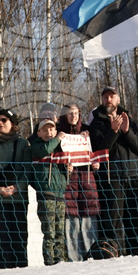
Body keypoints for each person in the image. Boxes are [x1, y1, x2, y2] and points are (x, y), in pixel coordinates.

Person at [88, 86, 138, 255]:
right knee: (115, 220)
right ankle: (117, 255)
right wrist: (113, 131)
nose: (108, 100)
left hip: (135, 175)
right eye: (105, 97)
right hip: (112, 178)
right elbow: (100, 149)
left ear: (118, 99)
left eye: (112, 96)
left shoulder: (130, 120)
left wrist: (126, 132)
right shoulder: (96, 123)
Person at [0, 108, 30, 269]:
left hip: (18, 198)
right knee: (0, 239)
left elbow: (28, 169)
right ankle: (0, 272)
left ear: (12, 124)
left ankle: (21, 273)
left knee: (19, 238)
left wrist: (17, 187)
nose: (0, 123)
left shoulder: (23, 144)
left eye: (4, 120)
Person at [58, 103, 100, 262]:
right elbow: (54, 158)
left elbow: (96, 153)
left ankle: (93, 256)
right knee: (72, 226)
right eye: (70, 113)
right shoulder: (59, 133)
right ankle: (74, 260)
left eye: (76, 113)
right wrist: (63, 167)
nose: (73, 116)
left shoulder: (88, 132)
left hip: (87, 183)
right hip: (68, 185)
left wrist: (96, 163)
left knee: (89, 225)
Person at [30, 105, 71, 266]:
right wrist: (58, 138)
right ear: (39, 132)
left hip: (60, 194)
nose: (49, 133)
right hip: (45, 195)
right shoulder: (36, 145)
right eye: (45, 130)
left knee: (60, 230)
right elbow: (45, 149)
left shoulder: (59, 148)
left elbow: (62, 172)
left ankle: (61, 260)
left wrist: (68, 170)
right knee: (50, 232)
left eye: (51, 130)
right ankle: (50, 261)